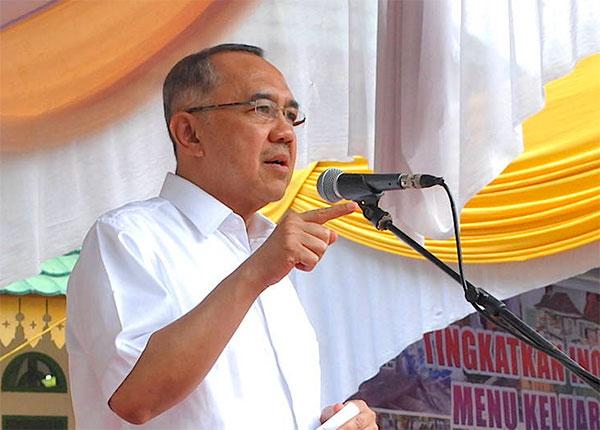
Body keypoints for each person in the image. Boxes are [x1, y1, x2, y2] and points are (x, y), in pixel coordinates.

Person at [66, 44, 378, 429]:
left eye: (290, 115)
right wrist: (256, 273)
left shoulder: (266, 253)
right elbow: (136, 397)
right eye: (261, 109)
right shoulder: (128, 237)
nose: (285, 133)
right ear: (190, 133)